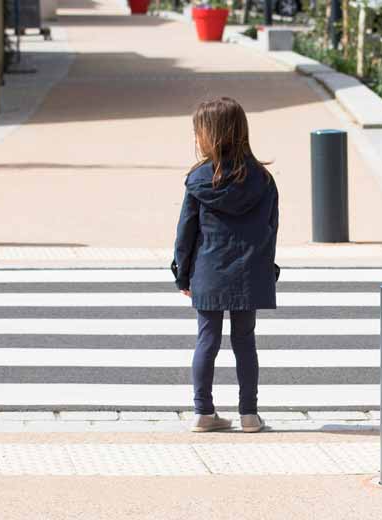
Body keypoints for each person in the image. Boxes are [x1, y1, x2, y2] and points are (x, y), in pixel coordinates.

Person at [173, 97, 279, 433]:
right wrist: (267, 270)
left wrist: (182, 273)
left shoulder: (199, 180)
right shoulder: (263, 180)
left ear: (208, 136)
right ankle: (249, 414)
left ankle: (203, 411)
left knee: (207, 339)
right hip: (250, 272)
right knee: (245, 340)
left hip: (208, 271)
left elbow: (186, 233)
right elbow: (270, 230)